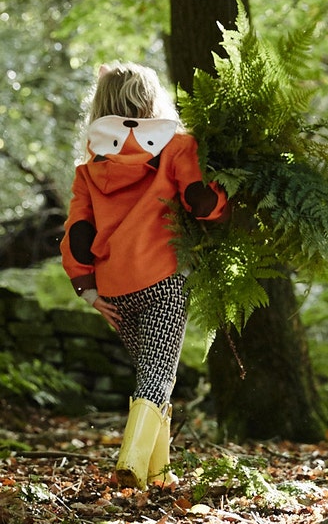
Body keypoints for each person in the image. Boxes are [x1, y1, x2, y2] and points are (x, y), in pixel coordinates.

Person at [60, 62, 228, 490]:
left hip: (114, 291)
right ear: (153, 102)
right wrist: (231, 196)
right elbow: (200, 202)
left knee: (150, 371)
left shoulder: (90, 169)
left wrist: (86, 290)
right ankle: (132, 463)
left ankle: (159, 473)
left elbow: (77, 236)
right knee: (159, 375)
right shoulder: (176, 147)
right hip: (164, 280)